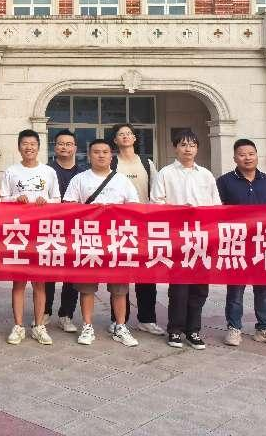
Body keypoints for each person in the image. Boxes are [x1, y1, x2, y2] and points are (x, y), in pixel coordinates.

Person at [63, 139, 140, 348]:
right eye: (96, 152)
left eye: (105, 152)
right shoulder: (80, 179)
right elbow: (68, 206)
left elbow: (134, 207)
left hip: (116, 239)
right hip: (89, 238)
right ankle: (87, 326)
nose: (101, 155)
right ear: (89, 156)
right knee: (87, 287)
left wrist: (115, 210)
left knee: (119, 287)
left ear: (111, 155)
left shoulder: (122, 180)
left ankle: (120, 326)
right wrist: (92, 210)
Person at [151, 129, 221, 350]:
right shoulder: (165, 173)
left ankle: (193, 330)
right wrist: (179, 210)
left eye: (191, 145)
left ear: (197, 148)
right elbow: (156, 203)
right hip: (178, 238)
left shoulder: (206, 175)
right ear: (175, 148)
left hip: (202, 238)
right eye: (182, 145)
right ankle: (175, 329)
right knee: (179, 288)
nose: (187, 149)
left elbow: (216, 206)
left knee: (200, 288)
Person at [216, 138, 266, 348]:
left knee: (264, 291)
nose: (247, 158)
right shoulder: (224, 181)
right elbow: (216, 211)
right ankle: (234, 328)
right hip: (236, 243)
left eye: (251, 154)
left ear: (257, 156)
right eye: (242, 154)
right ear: (234, 158)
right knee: (236, 290)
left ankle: (264, 328)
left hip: (264, 244)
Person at [0, 129, 59, 346]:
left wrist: (45, 201)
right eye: (25, 143)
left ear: (39, 147)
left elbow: (57, 199)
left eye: (33, 144)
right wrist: (16, 198)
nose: (29, 147)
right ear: (19, 147)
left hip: (41, 232)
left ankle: (39, 325)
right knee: (18, 282)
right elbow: (3, 198)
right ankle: (18, 326)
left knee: (39, 282)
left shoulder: (48, 172)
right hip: (18, 232)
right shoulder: (11, 171)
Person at [110, 123, 163, 336]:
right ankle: (118, 319)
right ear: (115, 140)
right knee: (119, 274)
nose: (125, 136)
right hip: (119, 225)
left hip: (144, 224)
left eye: (129, 133)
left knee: (146, 273)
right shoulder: (112, 162)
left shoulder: (147, 163)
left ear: (134, 138)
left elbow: (156, 192)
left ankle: (147, 319)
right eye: (121, 134)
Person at [46, 129, 80, 334]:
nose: (64, 147)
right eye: (60, 143)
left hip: (75, 230)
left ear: (75, 147)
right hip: (50, 228)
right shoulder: (46, 171)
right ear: (55, 146)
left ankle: (66, 314)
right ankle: (45, 311)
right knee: (48, 271)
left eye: (68, 144)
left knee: (71, 274)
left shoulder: (83, 173)